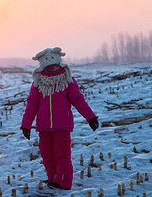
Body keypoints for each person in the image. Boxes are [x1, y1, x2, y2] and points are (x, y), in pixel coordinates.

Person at [20, 47, 99, 190]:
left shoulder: (67, 81)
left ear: (59, 63)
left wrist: (90, 117)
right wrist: (26, 125)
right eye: (48, 67)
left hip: (62, 127)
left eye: (55, 65)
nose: (52, 68)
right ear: (43, 65)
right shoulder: (38, 83)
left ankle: (63, 182)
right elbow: (31, 104)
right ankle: (53, 179)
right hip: (44, 127)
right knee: (47, 155)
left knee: (62, 155)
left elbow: (78, 100)